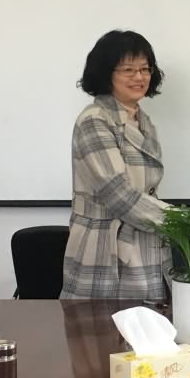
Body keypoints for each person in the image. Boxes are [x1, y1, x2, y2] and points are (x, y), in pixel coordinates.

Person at [61, 29, 171, 300]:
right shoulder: (95, 120)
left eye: (145, 69)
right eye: (128, 70)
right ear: (105, 73)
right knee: (105, 326)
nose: (139, 77)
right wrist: (183, 222)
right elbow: (118, 193)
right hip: (106, 249)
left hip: (146, 244)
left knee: (147, 324)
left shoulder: (143, 121)